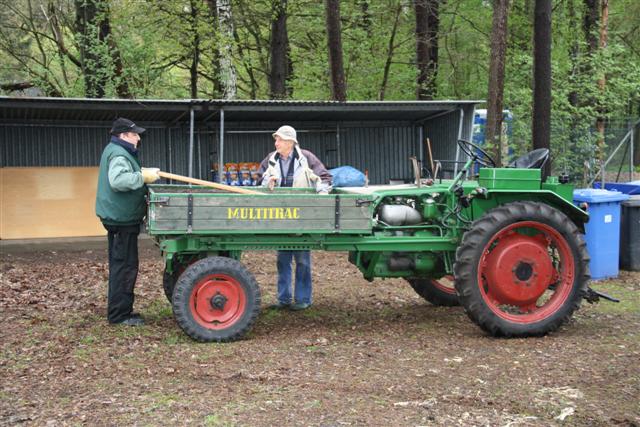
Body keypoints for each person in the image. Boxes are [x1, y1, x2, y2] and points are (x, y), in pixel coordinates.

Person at [257, 125, 332, 311]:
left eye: (279, 140)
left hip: (302, 215)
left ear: (290, 142)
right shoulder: (271, 159)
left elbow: (325, 178)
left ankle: (303, 299)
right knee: (282, 260)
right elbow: (258, 180)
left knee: (302, 260)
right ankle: (283, 299)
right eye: (276, 139)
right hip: (280, 216)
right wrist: (268, 182)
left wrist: (321, 194)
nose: (276, 143)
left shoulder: (306, 158)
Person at [95, 117, 160, 326]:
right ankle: (119, 315)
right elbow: (118, 181)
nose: (138, 138)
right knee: (124, 267)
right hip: (121, 220)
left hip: (120, 218)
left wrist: (140, 173)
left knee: (123, 265)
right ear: (123, 135)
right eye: (135, 134)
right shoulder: (119, 154)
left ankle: (122, 311)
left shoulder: (117, 150)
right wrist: (142, 177)